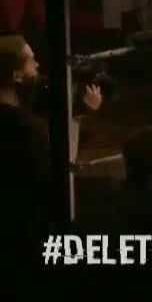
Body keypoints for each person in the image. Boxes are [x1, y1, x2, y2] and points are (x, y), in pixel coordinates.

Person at [0, 35, 101, 265]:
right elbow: (62, 170)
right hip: (26, 234)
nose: (37, 65)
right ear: (16, 76)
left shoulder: (25, 118)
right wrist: (78, 117)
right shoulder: (25, 127)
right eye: (31, 60)